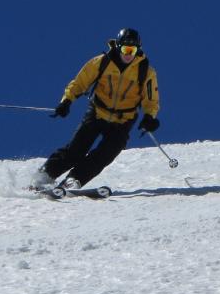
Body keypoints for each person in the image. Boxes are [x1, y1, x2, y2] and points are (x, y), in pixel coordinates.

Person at [32, 27, 160, 190]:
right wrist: (66, 101)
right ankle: (44, 176)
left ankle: (74, 180)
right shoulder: (102, 62)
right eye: (125, 49)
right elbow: (80, 82)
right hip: (97, 113)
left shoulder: (145, 71)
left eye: (133, 50)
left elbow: (151, 99)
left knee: (105, 155)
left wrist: (150, 117)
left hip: (123, 120)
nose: (128, 54)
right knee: (75, 150)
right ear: (118, 46)